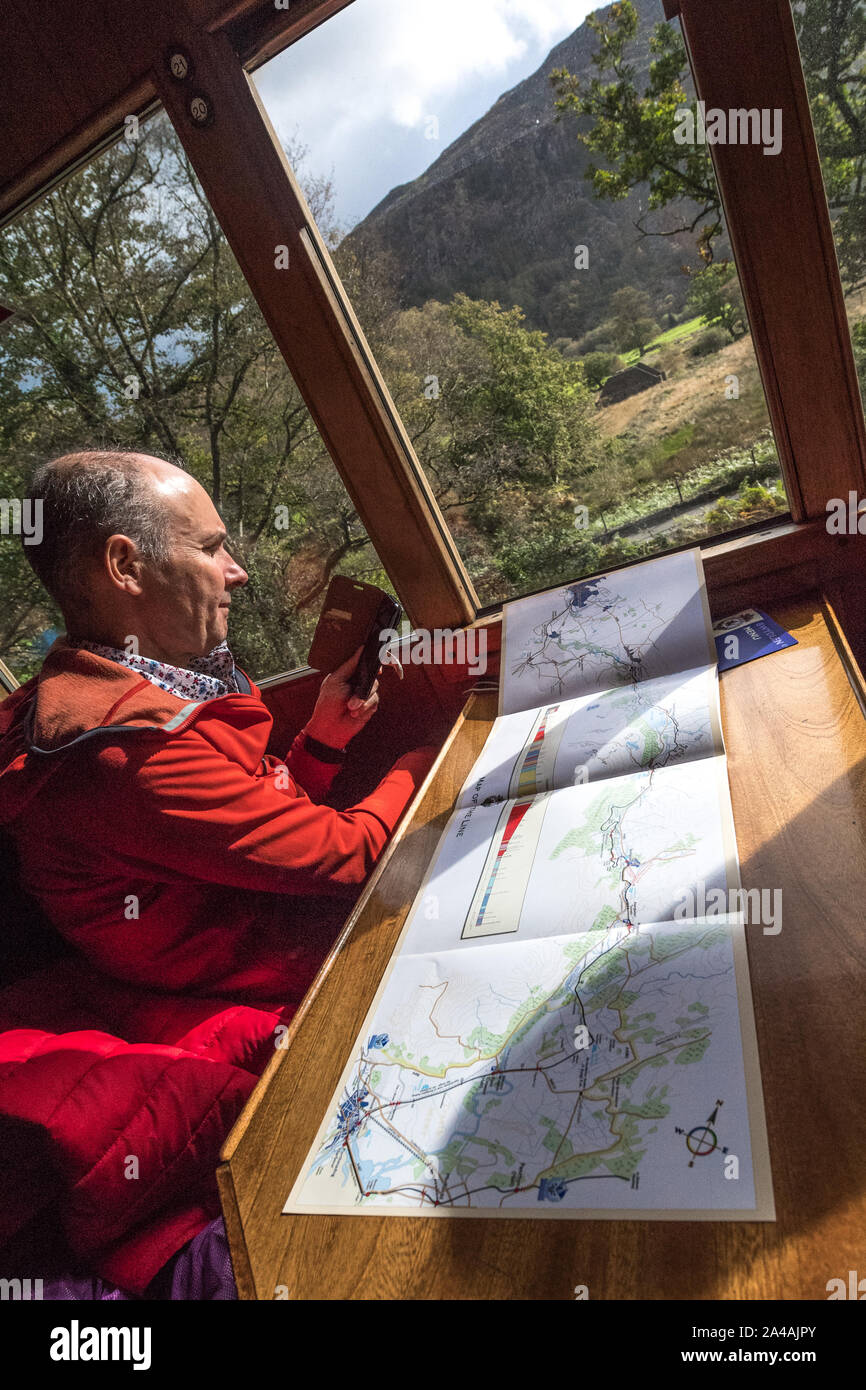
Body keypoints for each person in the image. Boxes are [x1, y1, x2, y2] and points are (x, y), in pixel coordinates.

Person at [0, 449, 437, 1010]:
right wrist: (425, 758)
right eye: (209, 548)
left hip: (265, 910)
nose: (238, 571)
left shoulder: (168, 679)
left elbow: (251, 815)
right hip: (253, 963)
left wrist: (323, 739)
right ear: (125, 567)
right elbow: (352, 858)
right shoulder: (126, 752)